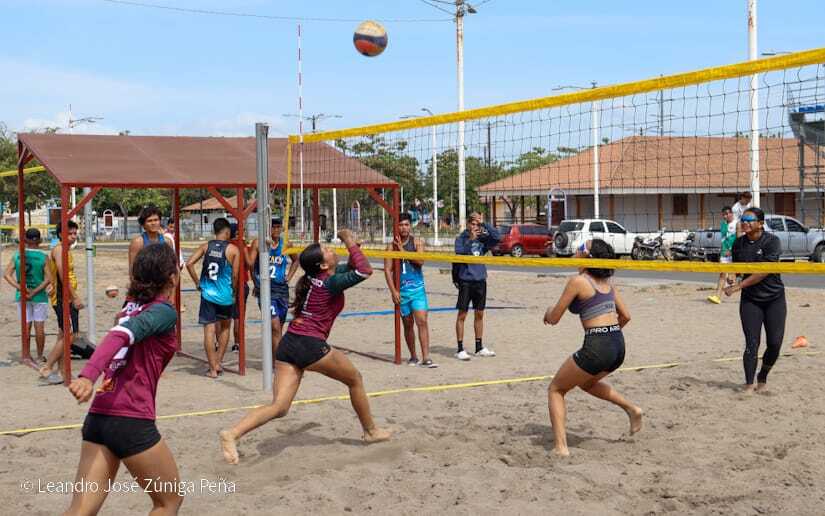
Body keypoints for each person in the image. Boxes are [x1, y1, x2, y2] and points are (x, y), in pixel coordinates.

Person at [219, 229, 391, 465]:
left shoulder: (317, 278)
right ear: (322, 265)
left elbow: (352, 268)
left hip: (289, 344)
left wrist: (354, 249)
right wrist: (350, 242)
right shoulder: (329, 282)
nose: (332, 251)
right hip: (310, 344)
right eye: (328, 251)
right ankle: (371, 431)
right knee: (355, 379)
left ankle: (232, 434)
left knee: (279, 407)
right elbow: (364, 270)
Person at [64, 243, 183, 515]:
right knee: (169, 502)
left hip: (98, 417)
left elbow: (120, 329)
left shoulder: (130, 307)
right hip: (131, 419)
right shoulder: (164, 311)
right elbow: (120, 335)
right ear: (172, 278)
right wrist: (87, 375)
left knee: (80, 511)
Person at [543, 239, 643, 457]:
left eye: (581, 248)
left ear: (589, 257)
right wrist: (609, 332)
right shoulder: (608, 285)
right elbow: (626, 316)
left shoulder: (578, 281)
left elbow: (554, 318)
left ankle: (561, 448)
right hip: (618, 344)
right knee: (587, 383)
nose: (577, 250)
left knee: (556, 389)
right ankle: (632, 409)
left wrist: (547, 312)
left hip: (598, 345)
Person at [724, 207, 786, 393]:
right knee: (752, 343)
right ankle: (749, 384)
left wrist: (738, 286)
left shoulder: (772, 241)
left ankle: (763, 377)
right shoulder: (739, 244)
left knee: (775, 343)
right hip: (751, 300)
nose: (745, 222)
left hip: (774, 298)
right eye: (743, 219)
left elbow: (763, 272)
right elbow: (737, 267)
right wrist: (733, 276)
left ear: (760, 223)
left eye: (749, 220)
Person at [185, 218, 240, 378]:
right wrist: (234, 292)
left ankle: (212, 369)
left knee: (209, 331)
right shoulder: (233, 249)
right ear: (227, 231)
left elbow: (189, 264)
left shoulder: (206, 246)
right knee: (225, 328)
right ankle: (218, 362)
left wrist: (197, 283)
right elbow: (235, 275)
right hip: (225, 295)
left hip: (208, 294)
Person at [384, 213, 436, 368]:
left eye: (406, 224)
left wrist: (402, 251)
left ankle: (426, 357)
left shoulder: (417, 242)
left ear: (410, 226)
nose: (403, 228)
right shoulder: (390, 247)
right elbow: (387, 270)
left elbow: (420, 261)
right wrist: (393, 291)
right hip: (402, 292)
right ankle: (413, 356)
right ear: (396, 227)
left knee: (422, 321)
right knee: (407, 324)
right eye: (400, 225)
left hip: (417, 290)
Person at [40, 220, 85, 384]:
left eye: (75, 233)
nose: (73, 236)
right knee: (71, 335)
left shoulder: (65, 249)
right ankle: (47, 366)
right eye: (70, 233)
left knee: (63, 334)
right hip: (63, 298)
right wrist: (74, 297)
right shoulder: (59, 250)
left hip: (64, 296)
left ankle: (63, 371)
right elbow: (62, 275)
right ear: (61, 234)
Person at [247, 218, 299, 357]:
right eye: (273, 227)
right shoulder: (259, 243)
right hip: (265, 289)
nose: (275, 230)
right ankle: (278, 363)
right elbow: (250, 264)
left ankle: (273, 358)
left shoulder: (286, 243)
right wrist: (255, 281)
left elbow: (296, 260)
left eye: (278, 227)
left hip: (281, 289)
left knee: (279, 328)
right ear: (267, 228)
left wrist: (288, 277)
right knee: (274, 326)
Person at [453, 212, 500, 360]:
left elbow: (497, 237)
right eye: (472, 224)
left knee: (479, 314)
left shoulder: (482, 239)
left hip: (480, 280)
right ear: (467, 224)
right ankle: (460, 349)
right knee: (462, 314)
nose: (475, 227)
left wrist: (484, 223)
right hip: (466, 281)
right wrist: (470, 239)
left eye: (476, 224)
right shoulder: (461, 239)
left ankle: (479, 347)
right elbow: (459, 252)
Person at [4, 228, 50, 363]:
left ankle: (27, 354)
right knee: (39, 326)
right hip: (39, 296)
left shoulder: (18, 255)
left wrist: (21, 288)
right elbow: (49, 279)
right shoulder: (43, 257)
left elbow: (7, 275)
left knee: (26, 325)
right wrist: (35, 291)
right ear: (39, 241)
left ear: (25, 240)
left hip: (22, 295)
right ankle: (40, 356)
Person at [128, 205, 174, 279]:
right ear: (143, 225)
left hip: (163, 284)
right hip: (144, 284)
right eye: (149, 221)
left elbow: (172, 266)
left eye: (156, 220)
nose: (153, 223)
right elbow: (132, 269)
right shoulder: (138, 242)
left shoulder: (167, 241)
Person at [707, 206, 737, 304]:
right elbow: (723, 239)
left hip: (734, 253)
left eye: (727, 214)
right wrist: (722, 251)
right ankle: (717, 296)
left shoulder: (737, 223)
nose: (725, 216)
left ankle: (732, 284)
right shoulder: (723, 224)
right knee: (722, 274)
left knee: (731, 279)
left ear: (731, 213)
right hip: (724, 253)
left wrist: (733, 250)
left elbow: (739, 239)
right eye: (723, 214)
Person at [229, 223, 250, 353]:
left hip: (226, 284)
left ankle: (218, 342)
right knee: (238, 316)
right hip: (241, 283)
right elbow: (249, 263)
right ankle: (237, 343)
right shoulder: (241, 245)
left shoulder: (227, 246)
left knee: (223, 317)